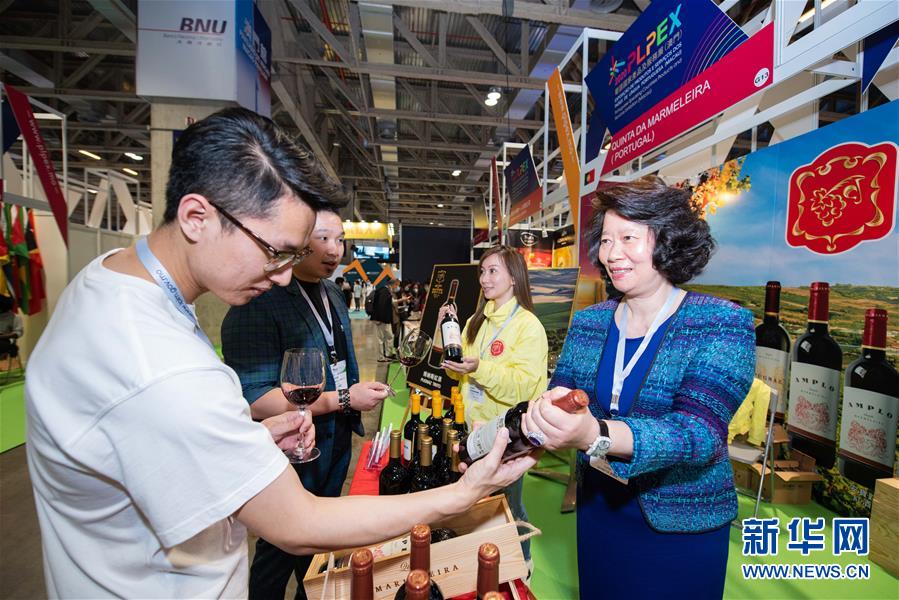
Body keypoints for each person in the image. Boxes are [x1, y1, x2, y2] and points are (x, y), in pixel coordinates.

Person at [24, 107, 537, 598]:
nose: (286, 276)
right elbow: (298, 523)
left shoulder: (111, 282)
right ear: (197, 217)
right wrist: (462, 494)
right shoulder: (157, 364)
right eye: (275, 252)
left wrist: (243, 437)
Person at [521, 177, 755, 599]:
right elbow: (562, 393)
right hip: (599, 509)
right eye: (606, 240)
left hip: (679, 525)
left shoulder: (720, 322)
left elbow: (698, 433)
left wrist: (595, 434)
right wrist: (529, 424)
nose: (612, 254)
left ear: (669, 239)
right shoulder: (590, 323)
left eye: (628, 238)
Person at [221, 207, 390, 600]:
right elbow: (255, 397)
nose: (334, 250)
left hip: (335, 440)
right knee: (280, 548)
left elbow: (339, 359)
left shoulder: (333, 293)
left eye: (340, 239)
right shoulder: (260, 301)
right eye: (323, 238)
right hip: (291, 446)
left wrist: (350, 396)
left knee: (320, 547)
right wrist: (343, 398)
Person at [440, 246, 548, 570]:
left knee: (508, 506)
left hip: (505, 437)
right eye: (482, 271)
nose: (484, 279)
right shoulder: (476, 320)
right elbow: (457, 373)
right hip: (470, 429)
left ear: (514, 277)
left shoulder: (529, 326)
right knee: (474, 504)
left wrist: (479, 369)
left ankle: (523, 565)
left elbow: (524, 387)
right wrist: (451, 353)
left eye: (492, 271)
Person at [371, 278, 400, 362]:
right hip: (382, 319)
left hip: (384, 318)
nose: (397, 287)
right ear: (392, 284)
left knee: (389, 336)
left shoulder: (385, 291)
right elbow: (381, 305)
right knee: (381, 338)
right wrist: (380, 319)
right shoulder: (384, 291)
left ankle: (388, 354)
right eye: (396, 285)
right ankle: (381, 357)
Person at [0, 294, 23, 366]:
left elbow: (18, 333)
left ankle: (11, 350)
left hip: (6, 340)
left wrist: (3, 336)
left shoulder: (15, 317)